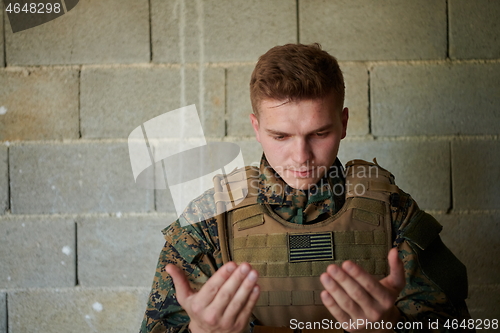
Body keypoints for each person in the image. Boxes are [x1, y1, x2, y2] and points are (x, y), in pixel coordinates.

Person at [140, 43, 472, 333]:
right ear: (256, 128)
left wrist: (390, 328)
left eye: (319, 133)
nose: (301, 156)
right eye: (281, 136)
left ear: (343, 124)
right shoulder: (209, 221)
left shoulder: (392, 211)